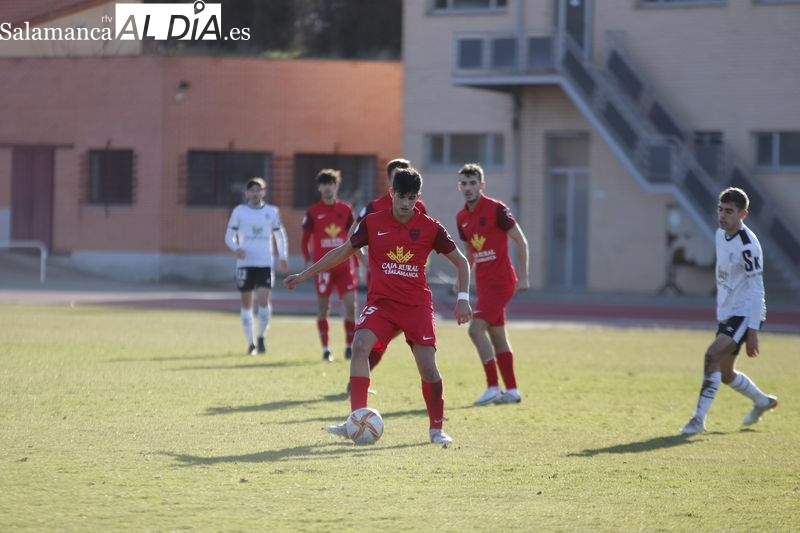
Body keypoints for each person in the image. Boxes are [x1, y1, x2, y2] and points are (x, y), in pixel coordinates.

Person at [285, 167, 472, 445]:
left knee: (428, 369)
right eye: (401, 197)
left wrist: (463, 299)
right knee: (360, 346)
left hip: (416, 306)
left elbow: (462, 262)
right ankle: (356, 421)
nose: (406, 204)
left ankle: (436, 429)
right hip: (382, 304)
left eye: (412, 198)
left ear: (418, 196)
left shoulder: (431, 228)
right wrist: (305, 274)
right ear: (391, 193)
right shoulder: (373, 223)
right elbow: (342, 251)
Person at [679, 187, 778, 435]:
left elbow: (757, 289)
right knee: (725, 373)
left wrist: (753, 330)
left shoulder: (748, 247)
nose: (723, 216)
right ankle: (762, 401)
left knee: (712, 355)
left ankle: (697, 420)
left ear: (743, 214)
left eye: (729, 211)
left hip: (745, 313)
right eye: (720, 210)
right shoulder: (719, 234)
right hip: (728, 312)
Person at [456, 163, 530, 406]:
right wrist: (464, 285)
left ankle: (492, 387)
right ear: (460, 186)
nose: (468, 188)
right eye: (464, 183)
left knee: (475, 330)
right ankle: (512, 391)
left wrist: (525, 276)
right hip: (484, 285)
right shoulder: (462, 218)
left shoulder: (497, 209)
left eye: (472, 183)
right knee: (497, 336)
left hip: (502, 282)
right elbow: (469, 255)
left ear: (482, 185)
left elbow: (521, 241)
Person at [349, 158, 428, 376]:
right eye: (396, 175)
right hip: (381, 285)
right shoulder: (374, 207)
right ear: (389, 181)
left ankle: (365, 367)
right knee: (380, 331)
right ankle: (364, 369)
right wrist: (366, 262)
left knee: (387, 332)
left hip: (409, 284)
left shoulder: (418, 207)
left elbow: (426, 239)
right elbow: (351, 237)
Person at [225, 177, 289, 355]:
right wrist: (236, 248)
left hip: (264, 263)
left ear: (264, 192)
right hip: (245, 264)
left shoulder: (271, 211)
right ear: (246, 193)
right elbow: (228, 235)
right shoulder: (240, 211)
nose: (255, 193)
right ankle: (250, 342)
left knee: (263, 298)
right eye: (251, 190)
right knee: (247, 303)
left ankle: (261, 336)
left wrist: (283, 256)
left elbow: (280, 235)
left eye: (258, 190)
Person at [300, 169, 358, 362]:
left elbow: (355, 238)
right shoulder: (313, 212)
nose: (327, 187)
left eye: (330, 183)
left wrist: (358, 262)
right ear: (319, 187)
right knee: (323, 308)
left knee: (351, 306)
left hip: (344, 267)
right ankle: (326, 349)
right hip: (323, 268)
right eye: (324, 184)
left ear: (336, 186)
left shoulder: (346, 210)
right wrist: (308, 260)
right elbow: (304, 239)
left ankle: (349, 346)